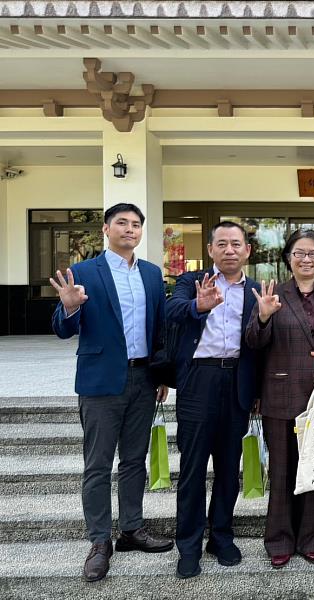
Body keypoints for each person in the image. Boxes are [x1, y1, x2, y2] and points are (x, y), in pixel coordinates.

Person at [50, 202, 173, 583]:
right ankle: (100, 541)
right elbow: (62, 329)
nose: (130, 229)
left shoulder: (153, 275)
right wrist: (68, 308)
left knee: (136, 460)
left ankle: (132, 530)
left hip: (143, 379)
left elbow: (160, 328)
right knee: (98, 465)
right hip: (101, 382)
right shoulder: (84, 272)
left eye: (136, 224)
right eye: (122, 223)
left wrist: (162, 374)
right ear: (106, 229)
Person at [244, 229, 314, 569]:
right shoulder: (272, 294)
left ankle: (311, 539)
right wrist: (262, 316)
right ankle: (279, 539)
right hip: (279, 394)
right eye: (300, 253)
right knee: (282, 472)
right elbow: (253, 342)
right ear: (288, 258)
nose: (307, 259)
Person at [166, 220, 260, 579]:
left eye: (236, 244)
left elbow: (261, 345)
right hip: (198, 380)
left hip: (237, 380)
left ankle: (221, 536)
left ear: (247, 250)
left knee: (228, 468)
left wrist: (258, 392)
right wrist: (197, 306)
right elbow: (170, 312)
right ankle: (188, 545)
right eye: (222, 244)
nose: (229, 250)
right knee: (192, 470)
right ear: (210, 250)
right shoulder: (191, 283)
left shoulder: (255, 290)